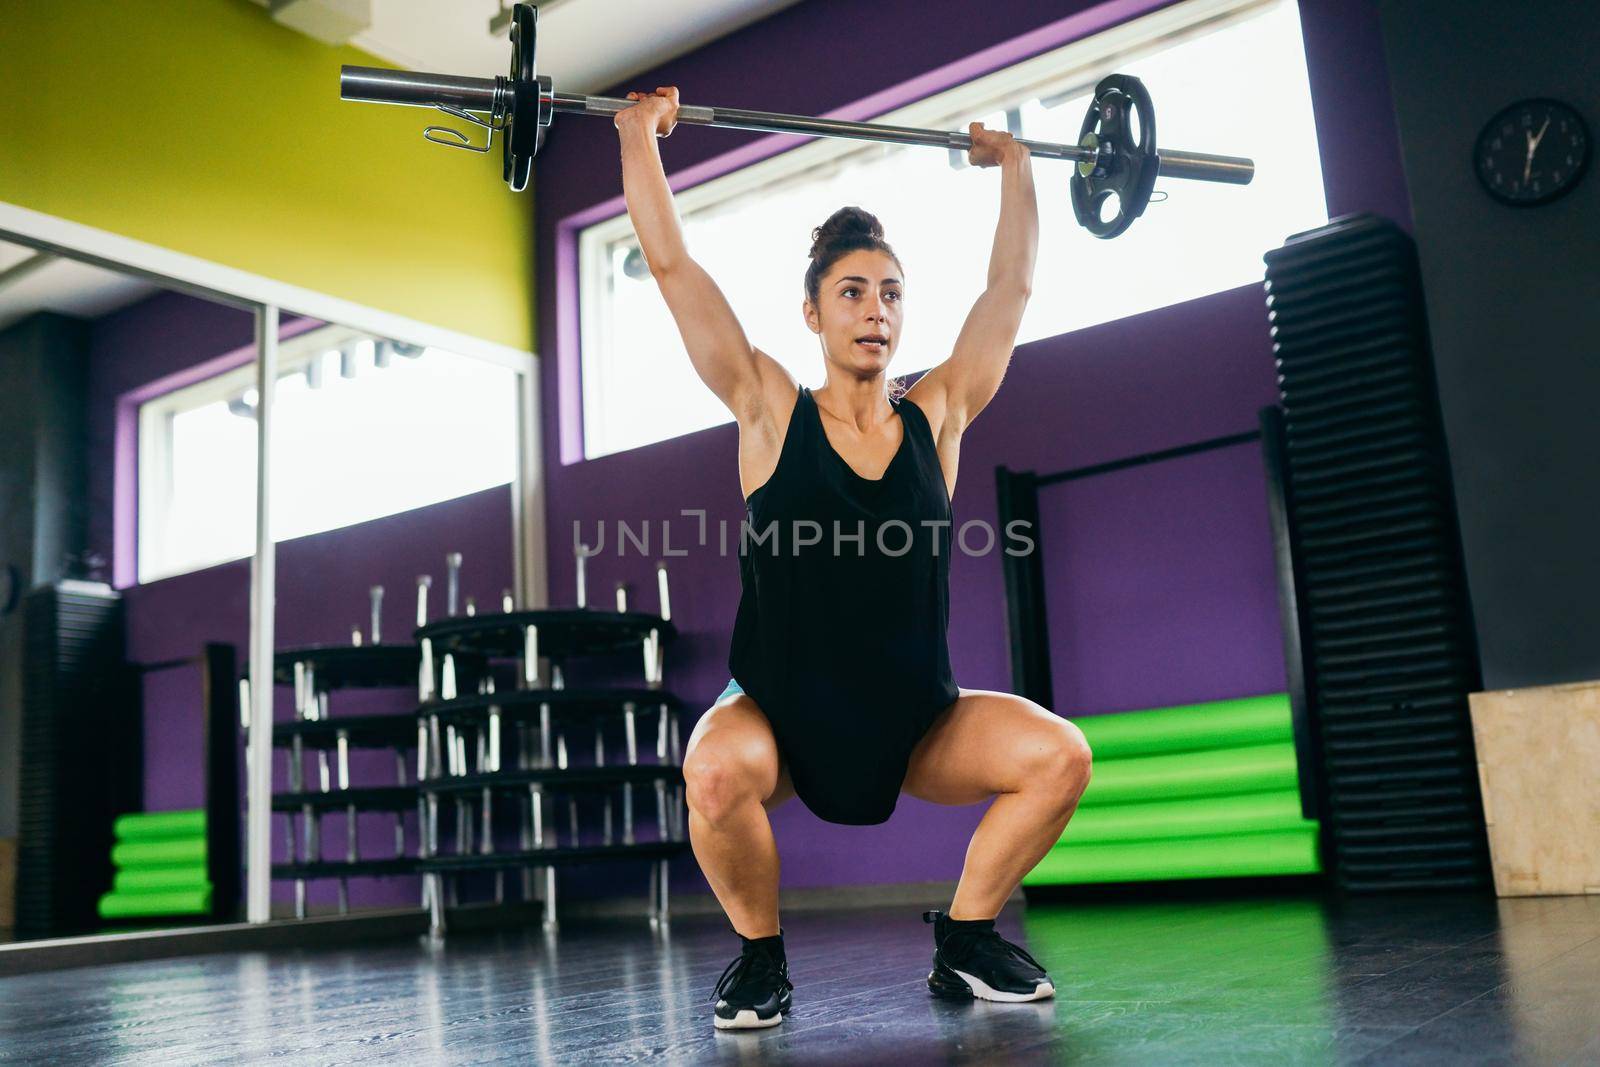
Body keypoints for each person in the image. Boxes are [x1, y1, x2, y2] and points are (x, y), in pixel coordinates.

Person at [614, 86, 1093, 1031]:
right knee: (710, 770)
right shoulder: (768, 407)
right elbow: (671, 267)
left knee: (1058, 755)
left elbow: (1011, 293)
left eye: (891, 293)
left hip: (914, 722)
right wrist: (638, 137)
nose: (876, 312)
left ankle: (965, 938)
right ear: (813, 313)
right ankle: (759, 958)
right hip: (782, 719)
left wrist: (1019, 171)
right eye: (852, 292)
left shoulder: (938, 416)